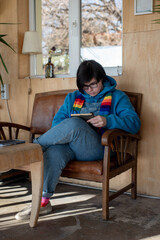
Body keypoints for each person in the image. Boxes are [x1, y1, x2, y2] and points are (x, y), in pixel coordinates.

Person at [15, 60, 141, 220]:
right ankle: (43, 202)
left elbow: (134, 123)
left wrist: (107, 120)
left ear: (102, 79)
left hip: (99, 148)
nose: (90, 91)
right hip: (71, 146)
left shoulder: (117, 96)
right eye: (85, 87)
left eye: (93, 85)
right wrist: (68, 128)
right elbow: (57, 123)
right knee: (54, 151)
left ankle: (32, 149)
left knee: (74, 123)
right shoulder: (73, 97)